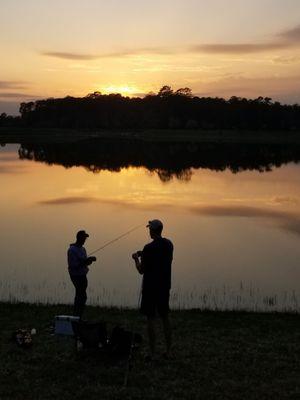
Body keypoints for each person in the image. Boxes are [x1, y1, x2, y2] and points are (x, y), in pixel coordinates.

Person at [132, 219, 173, 360]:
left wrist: (136, 259)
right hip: (164, 286)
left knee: (151, 319)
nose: (148, 231)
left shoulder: (148, 248)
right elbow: (162, 258)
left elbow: (141, 270)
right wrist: (144, 254)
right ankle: (169, 351)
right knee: (165, 317)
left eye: (149, 229)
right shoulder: (169, 245)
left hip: (150, 288)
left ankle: (152, 353)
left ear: (153, 230)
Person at [67, 230, 96, 318]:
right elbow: (73, 265)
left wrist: (89, 260)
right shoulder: (71, 250)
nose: (85, 240)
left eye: (85, 238)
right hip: (76, 276)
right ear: (79, 238)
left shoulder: (83, 249)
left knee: (81, 295)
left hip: (83, 275)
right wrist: (86, 261)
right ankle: (77, 315)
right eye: (84, 238)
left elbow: (84, 262)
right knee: (81, 295)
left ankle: (78, 315)